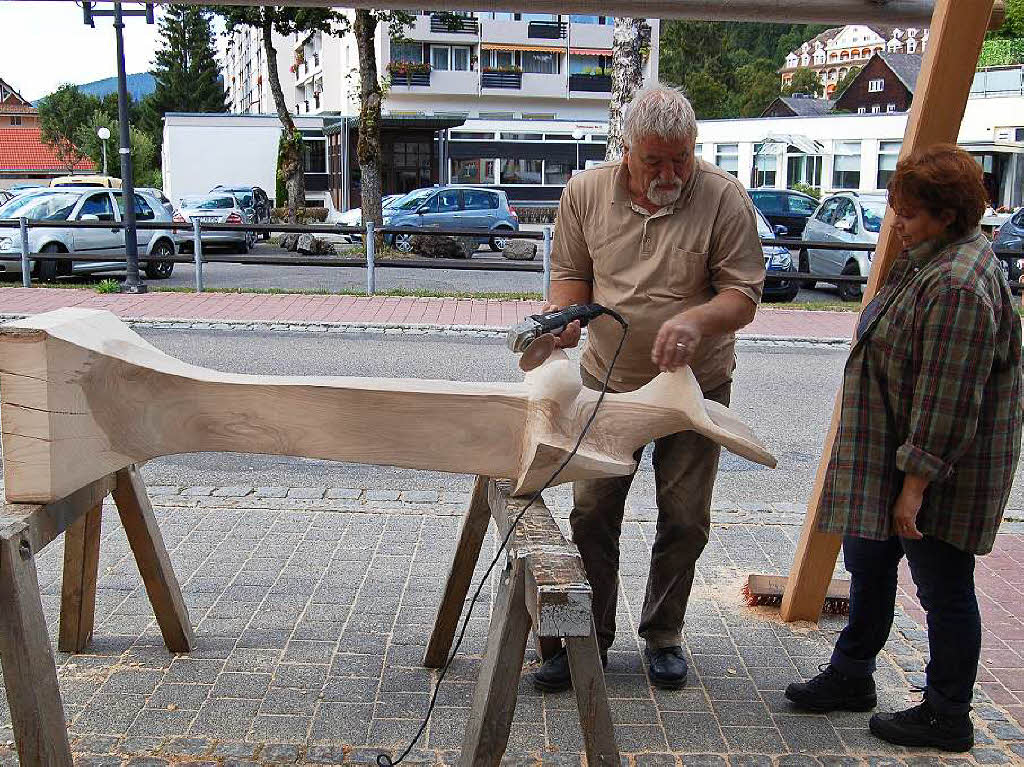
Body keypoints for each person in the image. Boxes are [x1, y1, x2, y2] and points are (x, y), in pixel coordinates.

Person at [785, 144, 1022, 753]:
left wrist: (913, 487)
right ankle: (853, 674)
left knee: (943, 588)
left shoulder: (958, 284)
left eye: (909, 213)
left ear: (946, 214)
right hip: (887, 455)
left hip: (936, 470)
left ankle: (948, 715)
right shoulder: (926, 259)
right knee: (868, 564)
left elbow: (948, 401)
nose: (898, 222)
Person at [532, 85, 766, 692]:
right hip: (605, 382)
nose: (670, 173)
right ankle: (587, 639)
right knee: (591, 513)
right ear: (627, 149)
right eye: (655, 160)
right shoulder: (586, 192)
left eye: (681, 159)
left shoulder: (723, 198)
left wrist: (695, 321)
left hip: (695, 385)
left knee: (685, 518)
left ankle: (663, 635)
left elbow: (742, 296)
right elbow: (569, 275)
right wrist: (566, 317)